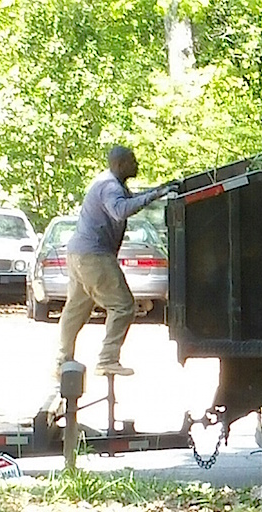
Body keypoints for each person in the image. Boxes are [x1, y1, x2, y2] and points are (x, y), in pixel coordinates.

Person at [57, 145, 176, 377]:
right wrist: (155, 194)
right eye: (133, 161)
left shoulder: (107, 183)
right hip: (94, 255)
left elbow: (134, 199)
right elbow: (120, 210)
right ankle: (107, 359)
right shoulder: (110, 187)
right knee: (123, 306)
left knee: (75, 309)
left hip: (78, 254)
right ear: (120, 165)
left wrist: (160, 189)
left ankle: (62, 359)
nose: (137, 164)